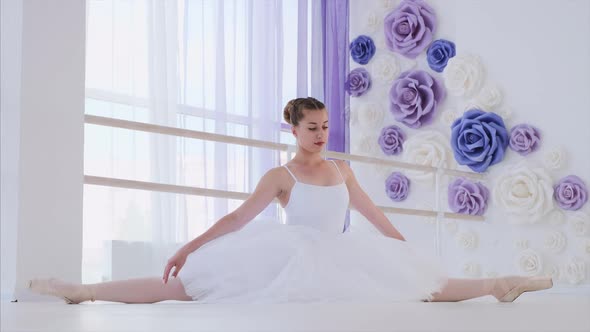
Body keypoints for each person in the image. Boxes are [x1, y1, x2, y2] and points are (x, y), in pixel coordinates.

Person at [28, 97, 553, 304]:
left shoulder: (342, 168)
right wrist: (188, 245)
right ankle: (83, 290)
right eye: (312, 128)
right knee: (183, 287)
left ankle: (499, 283)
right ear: (294, 128)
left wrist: (403, 248)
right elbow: (238, 217)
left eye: (326, 126)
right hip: (288, 252)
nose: (322, 134)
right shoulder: (280, 176)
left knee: (423, 286)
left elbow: (370, 214)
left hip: (339, 252)